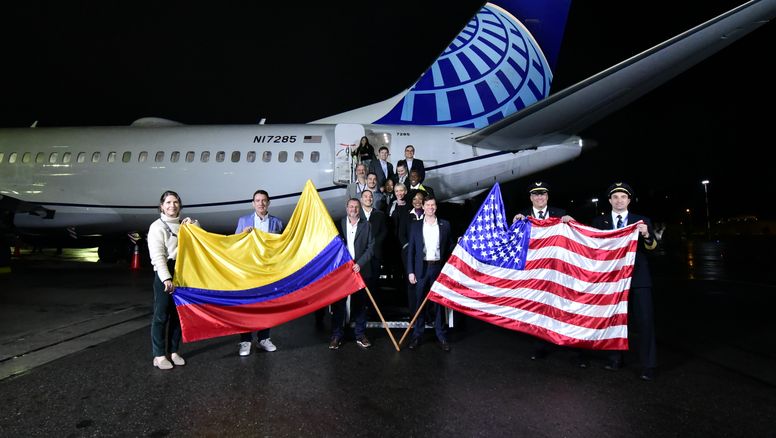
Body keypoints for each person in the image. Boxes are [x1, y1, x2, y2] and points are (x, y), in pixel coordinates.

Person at [592, 182, 658, 381]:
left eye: (623, 197)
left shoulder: (641, 221)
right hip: (612, 280)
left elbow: (653, 247)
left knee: (644, 322)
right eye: (615, 197)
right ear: (610, 200)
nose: (619, 200)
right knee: (614, 320)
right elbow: (593, 247)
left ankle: (648, 365)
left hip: (638, 279)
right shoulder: (599, 222)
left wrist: (646, 234)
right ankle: (615, 358)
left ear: (629, 200)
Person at [512, 181, 578, 363]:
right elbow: (514, 242)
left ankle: (572, 348)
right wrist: (515, 225)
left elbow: (574, 238)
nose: (539, 197)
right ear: (530, 197)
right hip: (535, 271)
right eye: (536, 194)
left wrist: (573, 223)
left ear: (547, 196)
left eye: (542, 194)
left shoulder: (560, 214)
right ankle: (540, 347)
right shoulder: (522, 216)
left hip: (557, 270)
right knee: (538, 308)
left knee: (562, 306)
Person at [148, 190, 199, 370]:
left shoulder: (184, 225)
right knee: (161, 315)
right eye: (168, 202)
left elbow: (200, 238)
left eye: (175, 202)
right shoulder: (157, 227)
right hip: (166, 272)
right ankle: (159, 355)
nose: (172, 206)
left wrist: (194, 224)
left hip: (183, 272)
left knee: (178, 315)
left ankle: (174, 351)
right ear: (161, 206)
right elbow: (158, 257)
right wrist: (166, 279)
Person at [234, 189, 284, 356]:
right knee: (247, 306)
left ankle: (264, 338)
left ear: (268, 203)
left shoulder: (277, 222)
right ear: (253, 203)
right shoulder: (243, 221)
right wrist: (243, 235)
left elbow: (281, 247)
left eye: (264, 200)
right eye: (257, 200)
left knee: (266, 305)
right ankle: (245, 341)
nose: (261, 203)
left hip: (267, 272)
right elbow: (235, 245)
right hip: (248, 271)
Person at [407, 196, 455, 352]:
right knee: (420, 303)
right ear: (423, 206)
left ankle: (441, 336)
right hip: (421, 269)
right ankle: (417, 335)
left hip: (438, 268)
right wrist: (410, 271)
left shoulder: (445, 225)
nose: (430, 207)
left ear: (436, 207)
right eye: (427, 205)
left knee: (438, 303)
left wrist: (460, 244)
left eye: (433, 205)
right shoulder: (415, 226)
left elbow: (450, 246)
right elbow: (411, 251)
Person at [330, 198, 375, 350]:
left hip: (360, 270)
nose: (353, 209)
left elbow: (371, 248)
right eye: (351, 206)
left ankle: (360, 335)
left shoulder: (366, 225)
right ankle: (336, 336)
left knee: (360, 304)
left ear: (359, 209)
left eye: (356, 207)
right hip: (342, 271)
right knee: (339, 305)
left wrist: (359, 264)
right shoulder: (338, 224)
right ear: (346, 208)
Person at [360, 189, 388, 299]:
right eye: (366, 196)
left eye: (370, 196)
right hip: (361, 255)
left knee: (374, 283)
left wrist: (373, 245)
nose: (368, 198)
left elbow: (384, 232)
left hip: (375, 254)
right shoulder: (357, 215)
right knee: (362, 283)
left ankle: (373, 308)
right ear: (361, 199)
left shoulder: (380, 215)